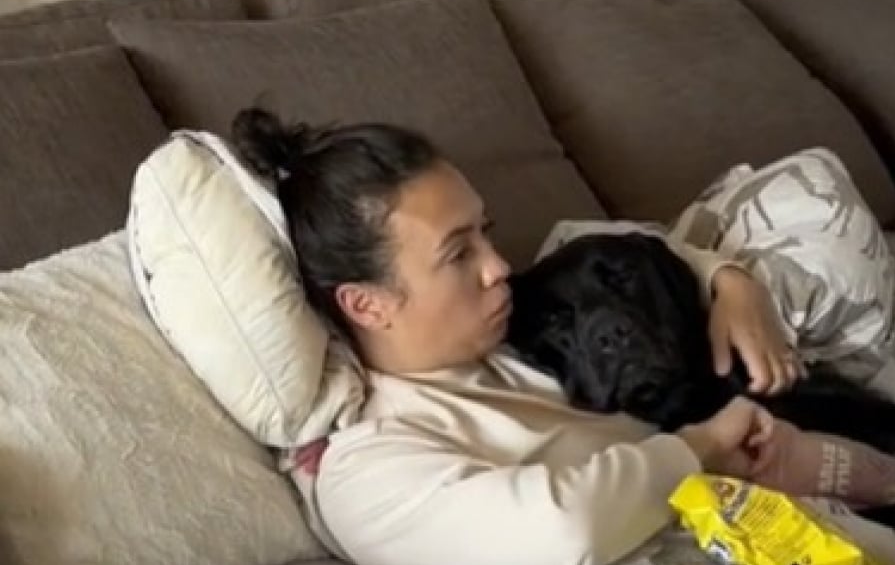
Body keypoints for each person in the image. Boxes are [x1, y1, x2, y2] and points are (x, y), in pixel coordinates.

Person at [231, 108, 804, 565]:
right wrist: (703, 446)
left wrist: (729, 282)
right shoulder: (371, 469)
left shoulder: (509, 318)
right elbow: (565, 531)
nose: (498, 266)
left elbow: (617, 249)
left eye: (487, 233)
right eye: (459, 253)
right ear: (367, 304)